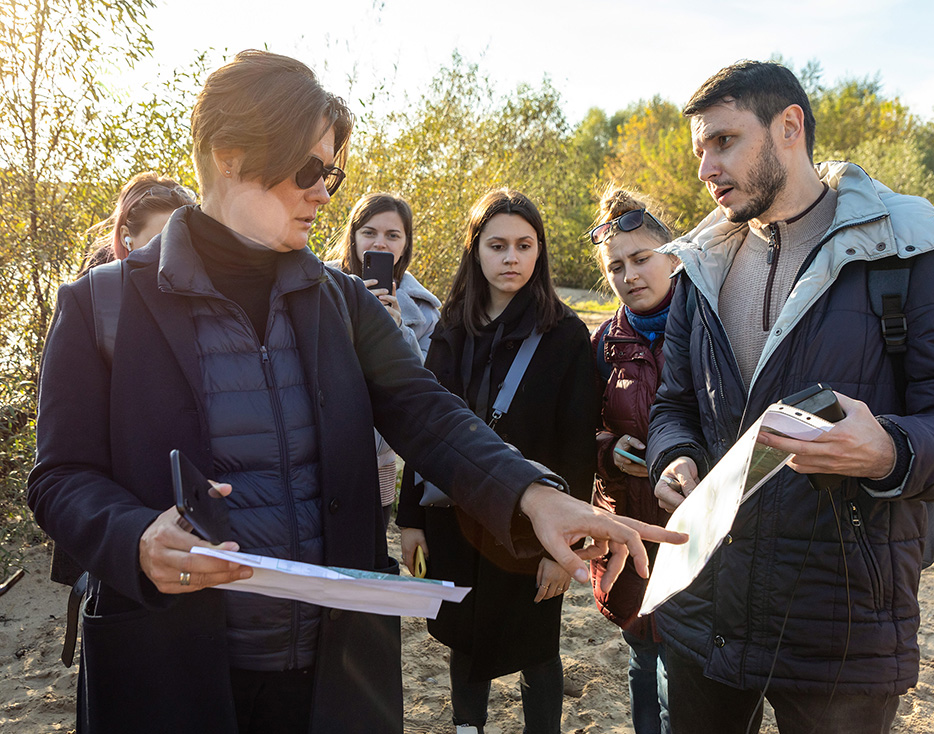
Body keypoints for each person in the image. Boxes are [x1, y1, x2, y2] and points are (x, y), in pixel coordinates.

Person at [27, 51, 683, 734]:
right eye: (308, 170)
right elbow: (59, 478)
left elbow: (428, 412)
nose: (323, 193)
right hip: (172, 673)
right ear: (229, 155)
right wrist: (134, 538)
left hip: (332, 674)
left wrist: (535, 495)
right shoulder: (99, 305)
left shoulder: (340, 302)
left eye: (331, 174)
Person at [646, 60, 934, 734]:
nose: (706, 169)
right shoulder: (699, 262)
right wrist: (673, 458)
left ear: (789, 126)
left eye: (723, 141)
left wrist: (890, 451)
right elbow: (673, 405)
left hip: (842, 621)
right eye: (699, 150)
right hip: (704, 606)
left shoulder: (912, 250)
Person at [396, 188, 597, 734]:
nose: (511, 258)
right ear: (476, 251)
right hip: (454, 516)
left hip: (533, 528)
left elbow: (577, 449)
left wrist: (564, 548)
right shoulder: (452, 329)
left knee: (537, 646)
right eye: (498, 245)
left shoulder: (566, 335)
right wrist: (410, 520)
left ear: (540, 252)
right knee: (463, 636)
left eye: (524, 245)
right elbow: (422, 426)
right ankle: (469, 728)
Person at [588, 187, 676, 734]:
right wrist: (609, 448)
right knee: (644, 660)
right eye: (616, 267)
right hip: (630, 532)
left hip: (695, 532)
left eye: (641, 258)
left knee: (687, 677)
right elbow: (583, 429)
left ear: (673, 256)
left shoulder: (710, 327)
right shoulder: (603, 344)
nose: (630, 275)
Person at [324, 192, 441, 507]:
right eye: (369, 232)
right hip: (318, 458)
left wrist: (396, 329)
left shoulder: (425, 312)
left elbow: (420, 386)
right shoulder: (317, 287)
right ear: (353, 237)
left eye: (392, 235)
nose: (380, 243)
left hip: (377, 466)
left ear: (406, 244)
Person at [76, 172, 196, 277]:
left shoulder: (201, 285)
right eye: (158, 244)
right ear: (126, 237)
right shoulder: (94, 292)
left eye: (185, 242)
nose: (174, 255)